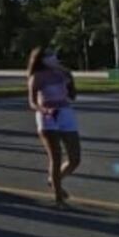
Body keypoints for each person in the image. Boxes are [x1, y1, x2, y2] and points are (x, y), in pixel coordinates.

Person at [27, 47, 81, 206]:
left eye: (54, 55)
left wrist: (70, 81)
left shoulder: (63, 73)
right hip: (48, 116)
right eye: (49, 55)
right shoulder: (36, 77)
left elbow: (73, 96)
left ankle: (54, 179)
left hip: (65, 113)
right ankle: (58, 196)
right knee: (56, 157)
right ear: (41, 59)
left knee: (75, 159)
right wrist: (44, 110)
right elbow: (32, 102)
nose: (54, 57)